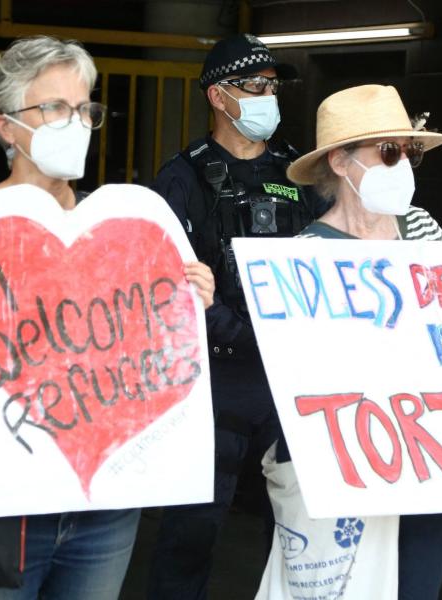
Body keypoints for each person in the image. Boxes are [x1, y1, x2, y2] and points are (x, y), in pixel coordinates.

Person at [0, 36, 215, 599]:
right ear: (6, 127)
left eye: (85, 108)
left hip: (105, 507)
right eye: (55, 108)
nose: (77, 123)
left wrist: (187, 301)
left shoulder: (121, 226)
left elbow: (153, 355)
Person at [285, 84, 442, 600]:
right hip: (353, 472)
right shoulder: (304, 257)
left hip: (429, 462)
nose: (402, 163)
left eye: (409, 152)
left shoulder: (422, 228)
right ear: (340, 163)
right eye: (388, 151)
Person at [146, 33, 326, 599]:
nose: (268, 96)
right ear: (218, 97)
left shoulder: (299, 175)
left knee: (303, 529)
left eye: (274, 86)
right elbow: (167, 290)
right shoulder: (182, 178)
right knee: (191, 534)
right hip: (214, 380)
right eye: (255, 85)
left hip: (289, 378)